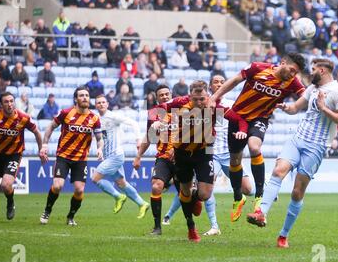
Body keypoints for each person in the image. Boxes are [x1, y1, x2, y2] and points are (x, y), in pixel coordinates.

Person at [246, 58, 338, 248]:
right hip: (297, 139)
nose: (310, 73)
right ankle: (261, 213)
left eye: (313, 70)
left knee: (297, 192)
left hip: (316, 146)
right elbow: (296, 108)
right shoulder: (312, 89)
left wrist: (324, 108)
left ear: (322, 71)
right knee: (278, 171)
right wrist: (287, 108)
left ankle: (283, 236)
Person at [209, 53, 306, 222]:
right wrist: (214, 97)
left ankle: (260, 197)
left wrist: (298, 104)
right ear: (282, 62)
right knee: (235, 161)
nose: (292, 75)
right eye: (291, 70)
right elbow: (234, 81)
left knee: (254, 147)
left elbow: (306, 96)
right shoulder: (257, 68)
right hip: (239, 117)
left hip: (260, 119)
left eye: (295, 73)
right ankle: (238, 198)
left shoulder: (293, 82)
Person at [161, 75, 255, 236]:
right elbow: (159, 108)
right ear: (189, 97)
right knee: (185, 192)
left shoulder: (215, 106)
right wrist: (157, 122)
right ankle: (193, 228)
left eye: (202, 99)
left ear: (208, 96)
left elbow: (238, 119)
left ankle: (197, 200)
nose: (199, 103)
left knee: (205, 194)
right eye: (195, 99)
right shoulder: (179, 103)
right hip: (181, 153)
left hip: (205, 151)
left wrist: (242, 131)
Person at [39, 86, 104, 226]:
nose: (85, 98)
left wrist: (99, 149)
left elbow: (99, 138)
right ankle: (47, 210)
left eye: (87, 95)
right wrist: (44, 144)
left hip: (81, 159)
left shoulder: (94, 118)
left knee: (79, 190)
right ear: (76, 98)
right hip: (63, 156)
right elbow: (50, 127)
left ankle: (70, 216)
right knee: (57, 186)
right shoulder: (66, 113)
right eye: (81, 95)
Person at [0, 92, 46, 222]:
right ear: (1, 104)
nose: (9, 104)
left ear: (14, 102)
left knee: (6, 185)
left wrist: (41, 149)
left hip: (14, 154)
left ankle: (10, 204)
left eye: (11, 101)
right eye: (6, 102)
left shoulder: (23, 117)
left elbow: (37, 132)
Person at [91, 95, 150, 219]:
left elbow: (133, 123)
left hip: (116, 155)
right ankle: (142, 203)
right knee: (121, 183)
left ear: (107, 104)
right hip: (108, 156)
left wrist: (138, 139)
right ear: (95, 105)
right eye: (98, 103)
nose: (101, 104)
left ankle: (118, 196)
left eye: (103, 102)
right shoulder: (95, 119)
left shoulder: (113, 116)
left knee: (95, 178)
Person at [133, 84, 179, 235]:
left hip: (182, 158)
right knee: (156, 187)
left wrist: (177, 147)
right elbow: (149, 136)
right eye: (161, 95)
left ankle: (191, 226)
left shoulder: (181, 108)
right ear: (157, 98)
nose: (165, 97)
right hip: (163, 157)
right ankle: (157, 227)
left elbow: (191, 133)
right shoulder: (153, 113)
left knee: (188, 195)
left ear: (171, 94)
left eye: (167, 94)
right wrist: (138, 156)